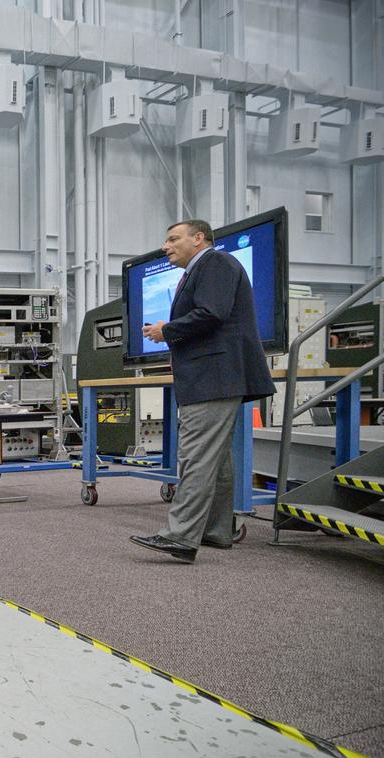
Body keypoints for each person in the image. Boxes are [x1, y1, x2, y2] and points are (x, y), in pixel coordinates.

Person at [130, 219, 276, 563]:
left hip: (213, 378)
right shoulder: (203, 268)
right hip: (215, 378)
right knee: (217, 461)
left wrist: (167, 330)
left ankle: (180, 536)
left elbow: (212, 313)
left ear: (198, 238)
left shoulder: (215, 262)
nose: (165, 246)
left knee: (196, 457)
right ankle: (216, 530)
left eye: (173, 239)